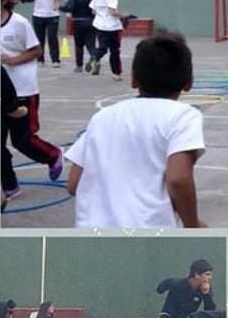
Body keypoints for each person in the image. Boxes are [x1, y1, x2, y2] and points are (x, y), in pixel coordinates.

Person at [66, 30, 205, 228]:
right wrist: (193, 226)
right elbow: (178, 179)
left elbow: (74, 183)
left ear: (133, 79)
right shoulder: (183, 116)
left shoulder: (102, 117)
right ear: (189, 82)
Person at [0, 0, 65, 183]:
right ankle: (9, 185)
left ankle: (53, 155)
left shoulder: (19, 23)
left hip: (23, 89)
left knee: (22, 140)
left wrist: (13, 60)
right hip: (0, 90)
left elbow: (37, 50)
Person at [89, 0, 126, 80]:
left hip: (100, 26)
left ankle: (95, 56)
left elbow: (93, 11)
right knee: (114, 51)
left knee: (103, 48)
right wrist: (123, 15)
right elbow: (112, 12)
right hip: (113, 27)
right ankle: (116, 73)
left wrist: (101, 14)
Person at [27, 0, 62, 67]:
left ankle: (55, 60)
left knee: (52, 37)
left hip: (52, 16)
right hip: (38, 16)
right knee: (39, 38)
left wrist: (56, 7)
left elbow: (57, 0)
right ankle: (40, 59)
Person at [60, 0, 97, 72]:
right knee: (91, 45)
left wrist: (59, 7)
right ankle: (95, 58)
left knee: (79, 45)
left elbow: (69, 8)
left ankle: (79, 66)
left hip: (78, 22)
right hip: (91, 22)